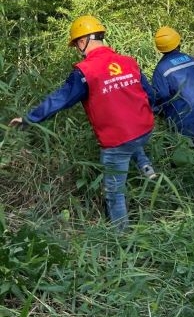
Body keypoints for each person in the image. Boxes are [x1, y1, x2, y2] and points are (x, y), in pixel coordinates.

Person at [9, 15, 157, 230]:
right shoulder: (128, 61)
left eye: (76, 44)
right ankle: (146, 167)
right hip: (144, 129)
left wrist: (29, 119)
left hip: (117, 142)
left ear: (81, 41)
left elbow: (61, 99)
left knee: (114, 194)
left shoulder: (86, 72)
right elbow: (149, 94)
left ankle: (122, 240)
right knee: (132, 138)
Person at [151, 26, 194, 159]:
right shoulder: (191, 60)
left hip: (179, 118)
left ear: (160, 47)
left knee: (185, 156)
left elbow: (161, 95)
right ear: (178, 42)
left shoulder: (161, 69)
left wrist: (155, 110)